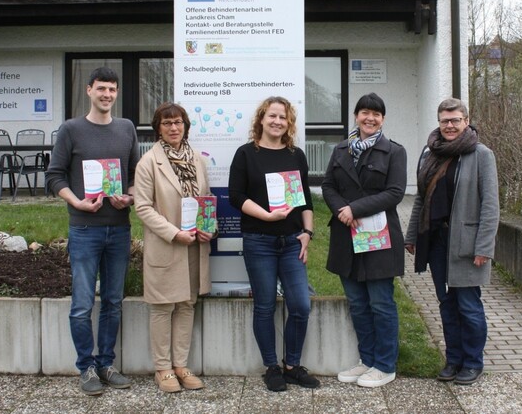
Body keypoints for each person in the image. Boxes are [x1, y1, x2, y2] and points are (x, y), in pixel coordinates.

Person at [45, 67, 139, 396]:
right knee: (82, 304)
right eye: (101, 89)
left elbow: (133, 177)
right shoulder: (71, 130)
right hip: (84, 228)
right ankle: (86, 367)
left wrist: (129, 196)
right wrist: (77, 202)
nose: (107, 95)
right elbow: (55, 176)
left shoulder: (126, 128)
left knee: (113, 301)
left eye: (112, 90)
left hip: (119, 228)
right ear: (89, 91)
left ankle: (106, 363)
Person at [228, 96, 320, 392]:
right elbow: (236, 197)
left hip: (292, 242)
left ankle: (292, 365)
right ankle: (271, 367)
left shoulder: (296, 156)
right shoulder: (245, 154)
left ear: (289, 123)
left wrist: (308, 233)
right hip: (259, 241)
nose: (278, 121)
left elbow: (305, 200)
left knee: (300, 305)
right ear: (262, 119)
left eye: (283, 117)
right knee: (265, 306)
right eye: (272, 116)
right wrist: (267, 216)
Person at [405, 98, 499, 386]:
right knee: (446, 303)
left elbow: (490, 205)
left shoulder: (481, 154)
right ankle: (453, 359)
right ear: (439, 122)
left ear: (466, 121)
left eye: (455, 120)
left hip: (466, 243)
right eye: (445, 120)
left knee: (468, 305)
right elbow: (421, 197)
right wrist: (411, 236)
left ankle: (472, 362)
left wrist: (484, 246)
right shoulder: (430, 153)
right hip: (435, 240)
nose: (449, 125)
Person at [321, 92, 407, 388]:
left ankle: (385, 365)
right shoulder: (341, 149)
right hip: (347, 236)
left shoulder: (394, 151)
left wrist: (354, 208)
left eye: (377, 114)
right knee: (357, 303)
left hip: (378, 237)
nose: (370, 118)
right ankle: (367, 360)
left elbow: (395, 192)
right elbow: (328, 185)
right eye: (365, 112)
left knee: (381, 302)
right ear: (356, 116)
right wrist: (341, 211)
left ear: (383, 119)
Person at [134, 103, 213, 393]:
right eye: (167, 123)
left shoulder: (197, 159)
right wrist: (174, 233)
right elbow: (142, 207)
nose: (173, 128)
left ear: (186, 125)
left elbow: (205, 197)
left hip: (193, 245)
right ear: (158, 128)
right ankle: (163, 368)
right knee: (163, 305)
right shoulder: (148, 163)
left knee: (186, 303)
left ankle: (181, 365)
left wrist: (208, 226)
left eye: (178, 122)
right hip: (167, 245)